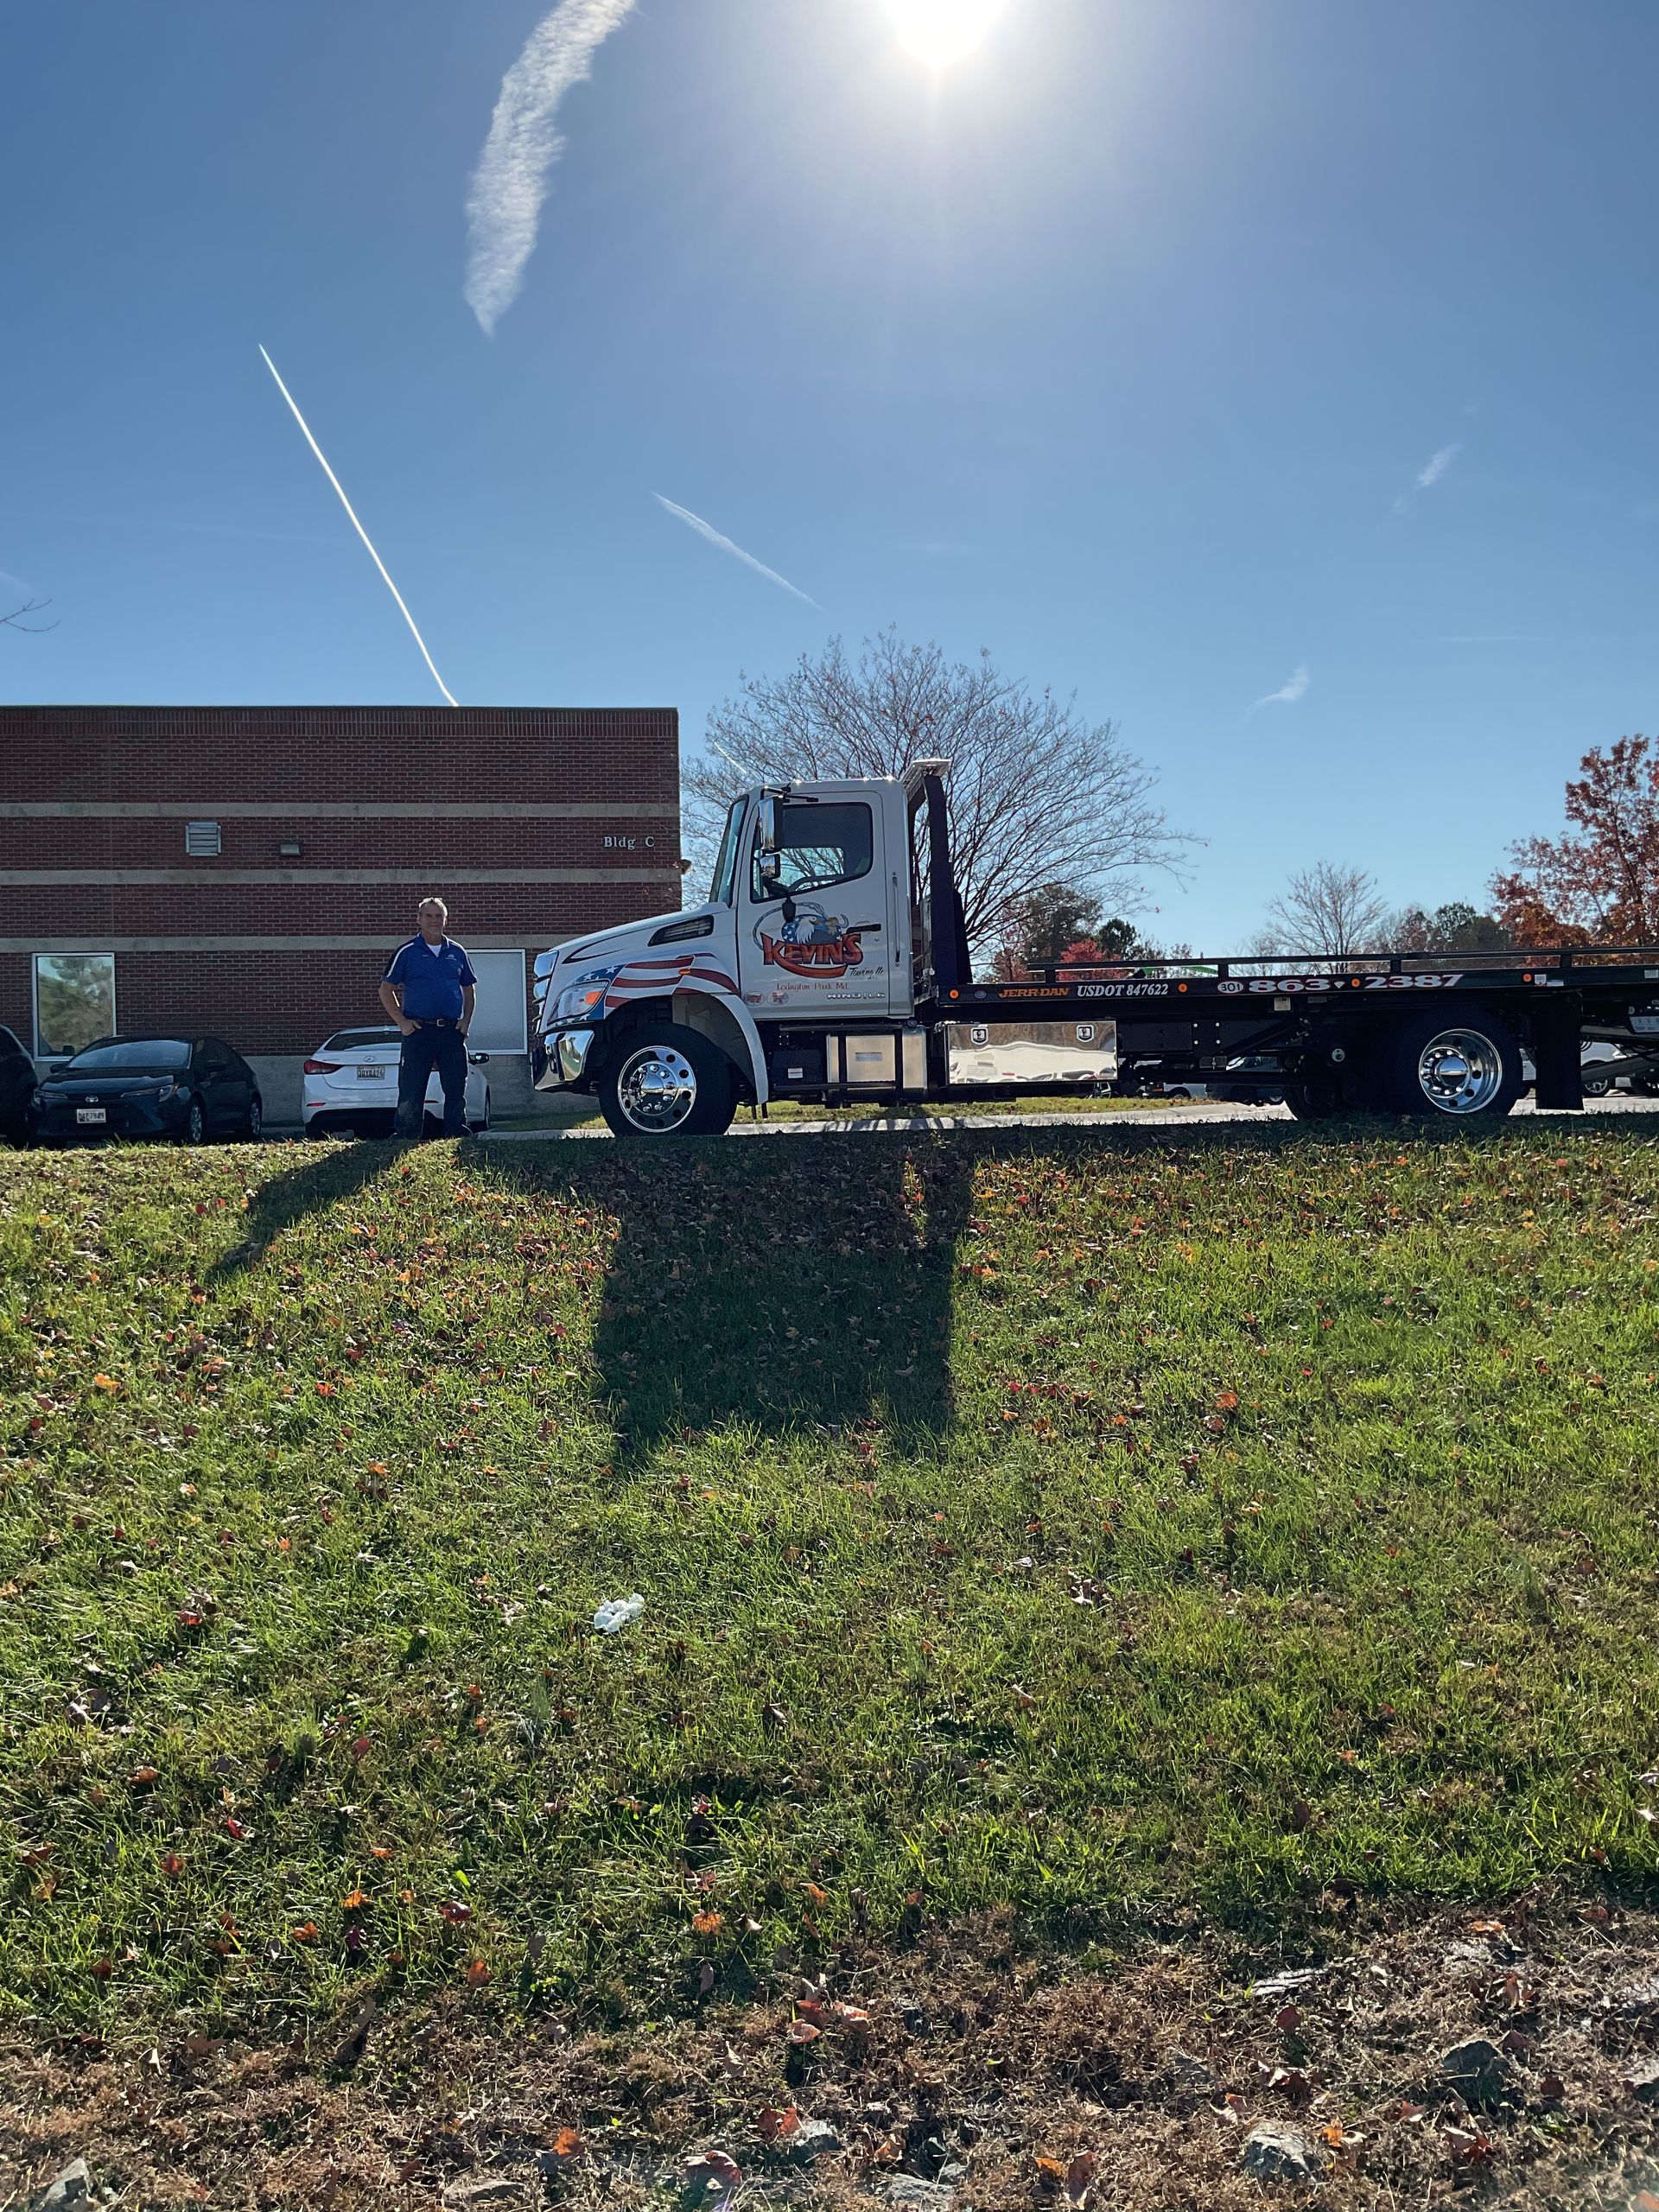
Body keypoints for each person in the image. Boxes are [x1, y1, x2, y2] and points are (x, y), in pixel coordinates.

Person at [378, 897, 477, 1138]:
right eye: (429, 916)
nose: (434, 921)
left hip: (451, 1030)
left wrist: (465, 1022)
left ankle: (456, 1131)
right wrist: (402, 1022)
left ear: (446, 920)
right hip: (418, 1031)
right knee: (411, 1086)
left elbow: (469, 989)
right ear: (419, 919)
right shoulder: (407, 952)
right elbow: (385, 990)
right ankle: (407, 1135)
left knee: (456, 1085)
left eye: (439, 916)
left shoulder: (457, 952)